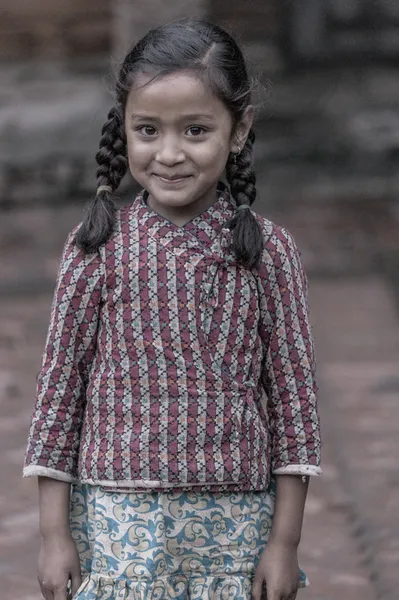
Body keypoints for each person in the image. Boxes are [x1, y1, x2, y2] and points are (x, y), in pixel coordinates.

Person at [23, 19, 321, 600]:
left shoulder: (268, 253)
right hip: (115, 527)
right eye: (148, 130)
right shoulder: (95, 248)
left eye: (195, 130)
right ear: (125, 129)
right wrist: (53, 534)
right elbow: (59, 392)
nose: (170, 153)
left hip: (234, 532)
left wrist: (284, 544)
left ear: (239, 130)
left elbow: (295, 402)